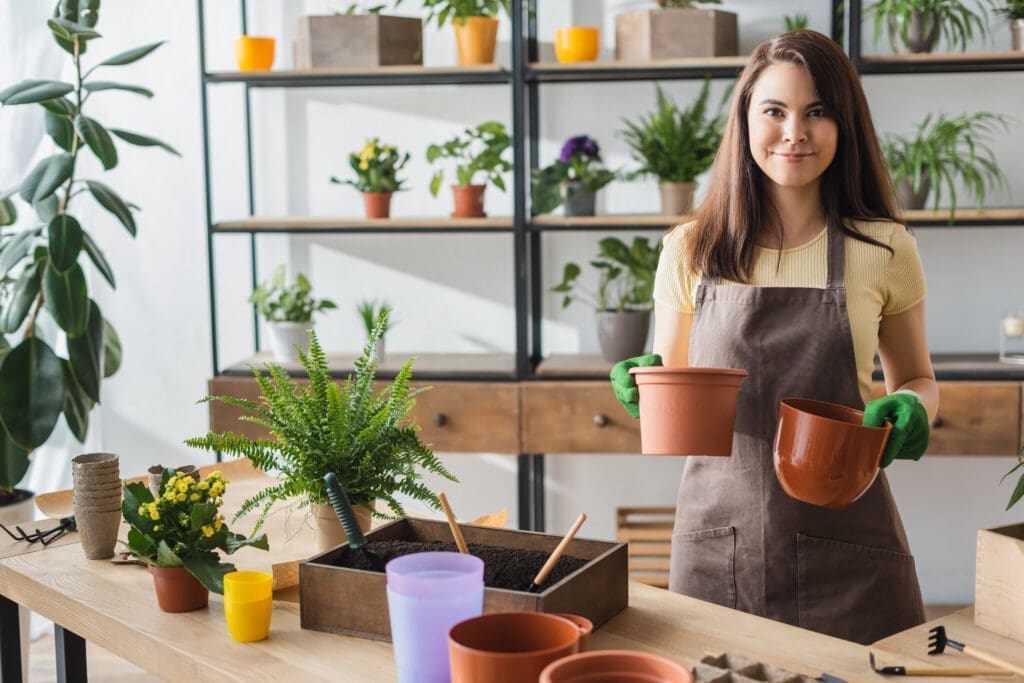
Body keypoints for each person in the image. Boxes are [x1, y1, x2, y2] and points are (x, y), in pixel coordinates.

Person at [609, 30, 938, 645]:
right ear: (745, 121)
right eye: (775, 111)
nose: (795, 133)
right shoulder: (690, 249)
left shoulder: (885, 249)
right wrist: (643, 384)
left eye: (817, 111)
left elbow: (917, 376)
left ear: (845, 124)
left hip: (850, 547)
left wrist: (913, 405)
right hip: (719, 548)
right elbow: (673, 389)